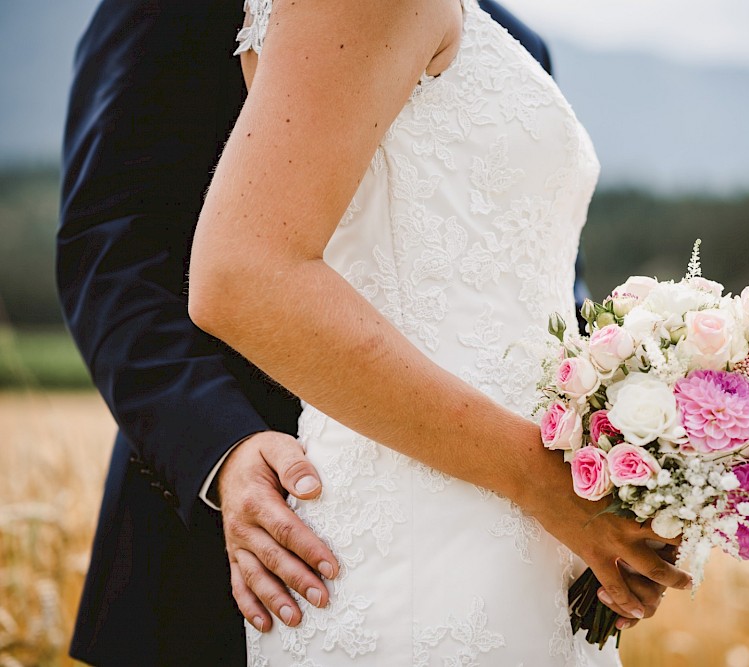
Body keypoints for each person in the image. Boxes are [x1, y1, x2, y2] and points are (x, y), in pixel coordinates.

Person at [57, 0, 662, 665]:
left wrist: (628, 440)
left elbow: (530, 279)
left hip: (513, 540)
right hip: (286, 531)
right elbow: (114, 244)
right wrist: (217, 446)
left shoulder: (519, 42)